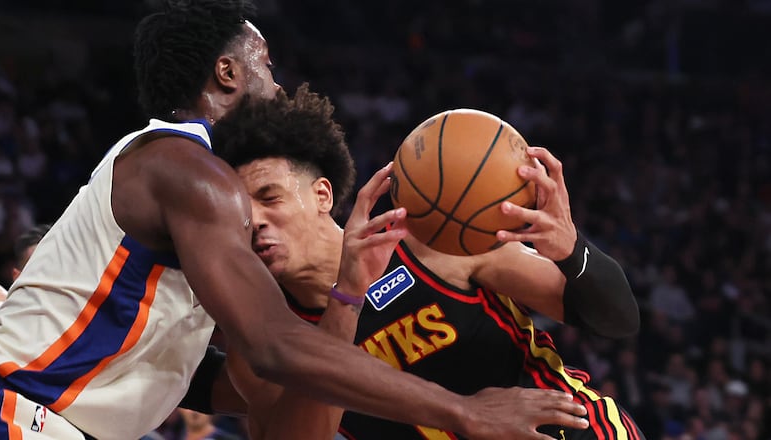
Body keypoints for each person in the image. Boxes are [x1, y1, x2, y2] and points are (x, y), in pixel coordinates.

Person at [0, 1, 588, 439]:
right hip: (13, 407)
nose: (278, 85)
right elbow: (274, 345)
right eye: (266, 66)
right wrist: (463, 411)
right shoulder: (186, 168)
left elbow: (207, 372)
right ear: (228, 73)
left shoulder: (172, 173)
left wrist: (323, 372)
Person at [213, 84, 647, 439]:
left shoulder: (429, 242)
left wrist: (572, 251)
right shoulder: (262, 343)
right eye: (242, 213)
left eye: (270, 199)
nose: (256, 223)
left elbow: (619, 321)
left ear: (322, 195)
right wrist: (345, 299)